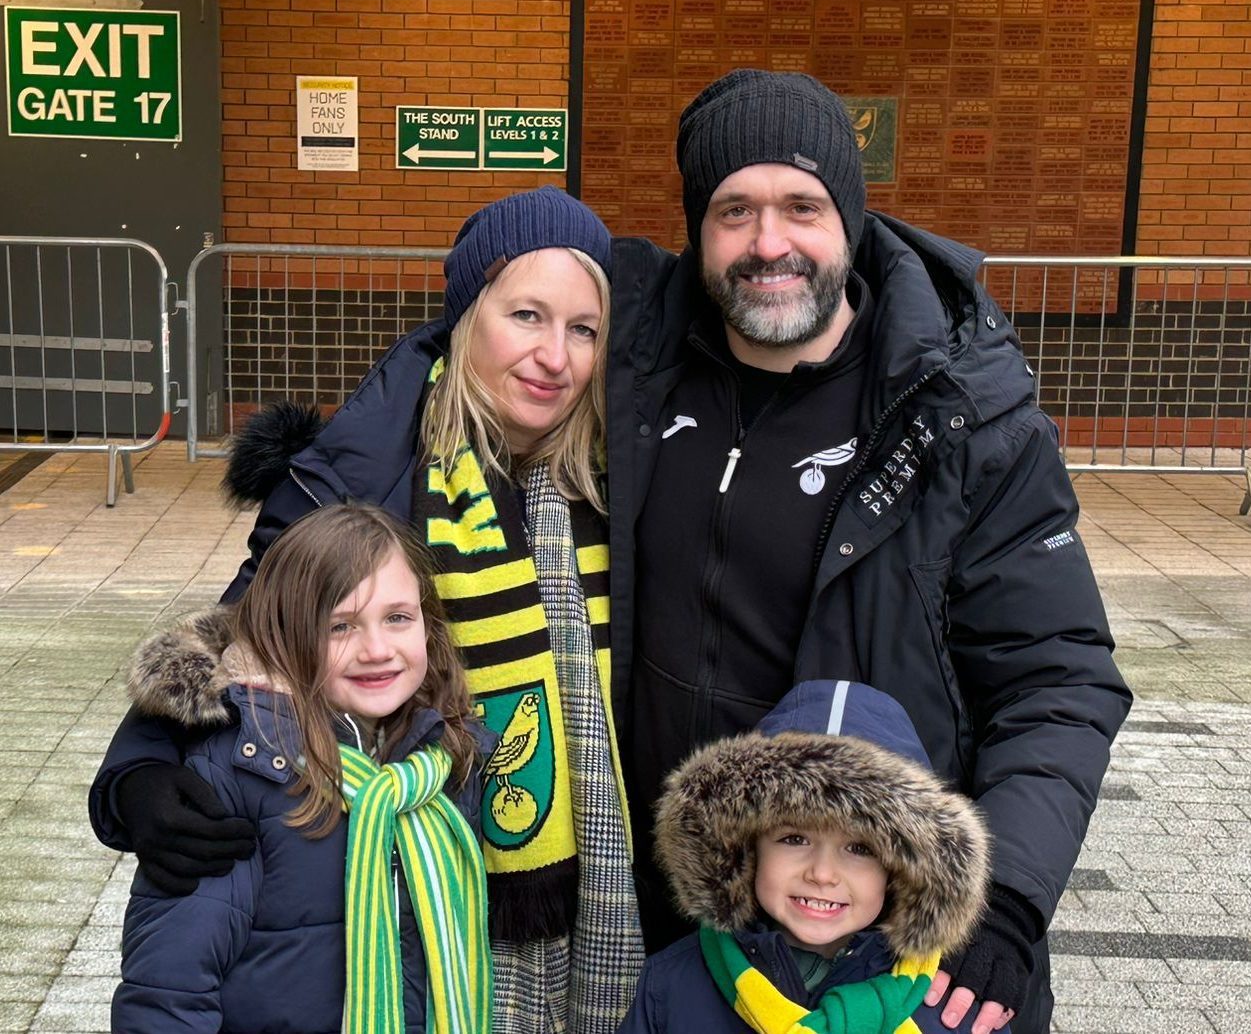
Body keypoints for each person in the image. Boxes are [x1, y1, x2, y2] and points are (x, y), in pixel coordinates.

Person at [602, 69, 1132, 1034]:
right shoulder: (633, 364)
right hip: (678, 940)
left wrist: (1003, 898)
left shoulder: (961, 417)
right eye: (734, 210)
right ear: (696, 227)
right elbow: (460, 351)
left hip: (877, 954)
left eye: (801, 206)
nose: (769, 243)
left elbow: (1056, 679)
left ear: (848, 218)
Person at [91, 186, 644, 1034]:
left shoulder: (625, 478)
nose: (554, 357)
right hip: (396, 892)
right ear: (466, 318)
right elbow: (252, 625)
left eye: (583, 329)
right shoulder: (374, 460)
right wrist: (138, 775)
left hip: (602, 906)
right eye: (526, 315)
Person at [112, 502, 492, 1033]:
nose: (377, 649)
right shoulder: (243, 773)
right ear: (286, 637)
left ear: (429, 625)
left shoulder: (445, 762)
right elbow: (168, 989)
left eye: (398, 617)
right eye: (340, 626)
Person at [619, 680, 994, 1034]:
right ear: (743, 849)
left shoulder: (953, 1014)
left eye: (860, 848)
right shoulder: (668, 988)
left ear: (903, 872)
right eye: (794, 838)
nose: (822, 873)